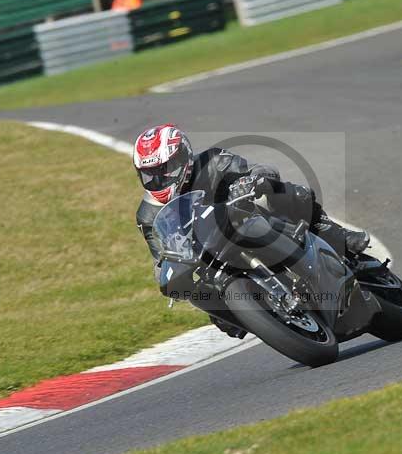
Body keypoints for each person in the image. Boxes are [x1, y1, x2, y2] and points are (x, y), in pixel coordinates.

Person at [133, 124, 370, 337]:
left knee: (281, 191)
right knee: (210, 306)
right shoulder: (148, 215)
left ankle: (339, 236)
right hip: (208, 257)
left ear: (183, 157)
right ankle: (264, 317)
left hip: (246, 222)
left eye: (165, 169)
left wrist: (253, 180)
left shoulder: (213, 162)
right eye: (149, 174)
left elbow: (259, 170)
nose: (158, 179)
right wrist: (168, 273)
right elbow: (160, 257)